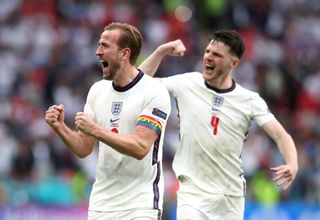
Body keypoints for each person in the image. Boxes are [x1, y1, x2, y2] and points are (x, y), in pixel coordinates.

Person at [138, 30, 298, 219]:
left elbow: (281, 135)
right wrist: (161, 51)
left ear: (234, 63)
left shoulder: (249, 100)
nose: (208, 57)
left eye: (217, 55)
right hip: (192, 193)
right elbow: (139, 84)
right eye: (207, 51)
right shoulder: (186, 83)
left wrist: (293, 164)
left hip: (230, 197)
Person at [45, 22, 171, 220]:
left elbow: (140, 147)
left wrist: (96, 130)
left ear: (124, 53)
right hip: (101, 205)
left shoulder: (153, 91)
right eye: (98, 45)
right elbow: (84, 148)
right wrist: (60, 128)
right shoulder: (98, 90)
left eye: (105, 46)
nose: (97, 52)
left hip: (140, 205)